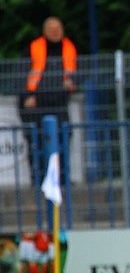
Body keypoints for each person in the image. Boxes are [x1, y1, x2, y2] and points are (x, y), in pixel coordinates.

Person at [18, 16, 77, 186]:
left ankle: (62, 178)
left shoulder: (69, 47)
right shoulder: (34, 47)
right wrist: (26, 96)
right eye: (52, 29)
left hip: (59, 102)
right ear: (45, 31)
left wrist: (73, 83)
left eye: (58, 28)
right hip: (36, 103)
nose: (55, 32)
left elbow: (78, 71)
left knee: (63, 138)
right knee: (36, 141)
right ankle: (39, 179)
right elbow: (20, 74)